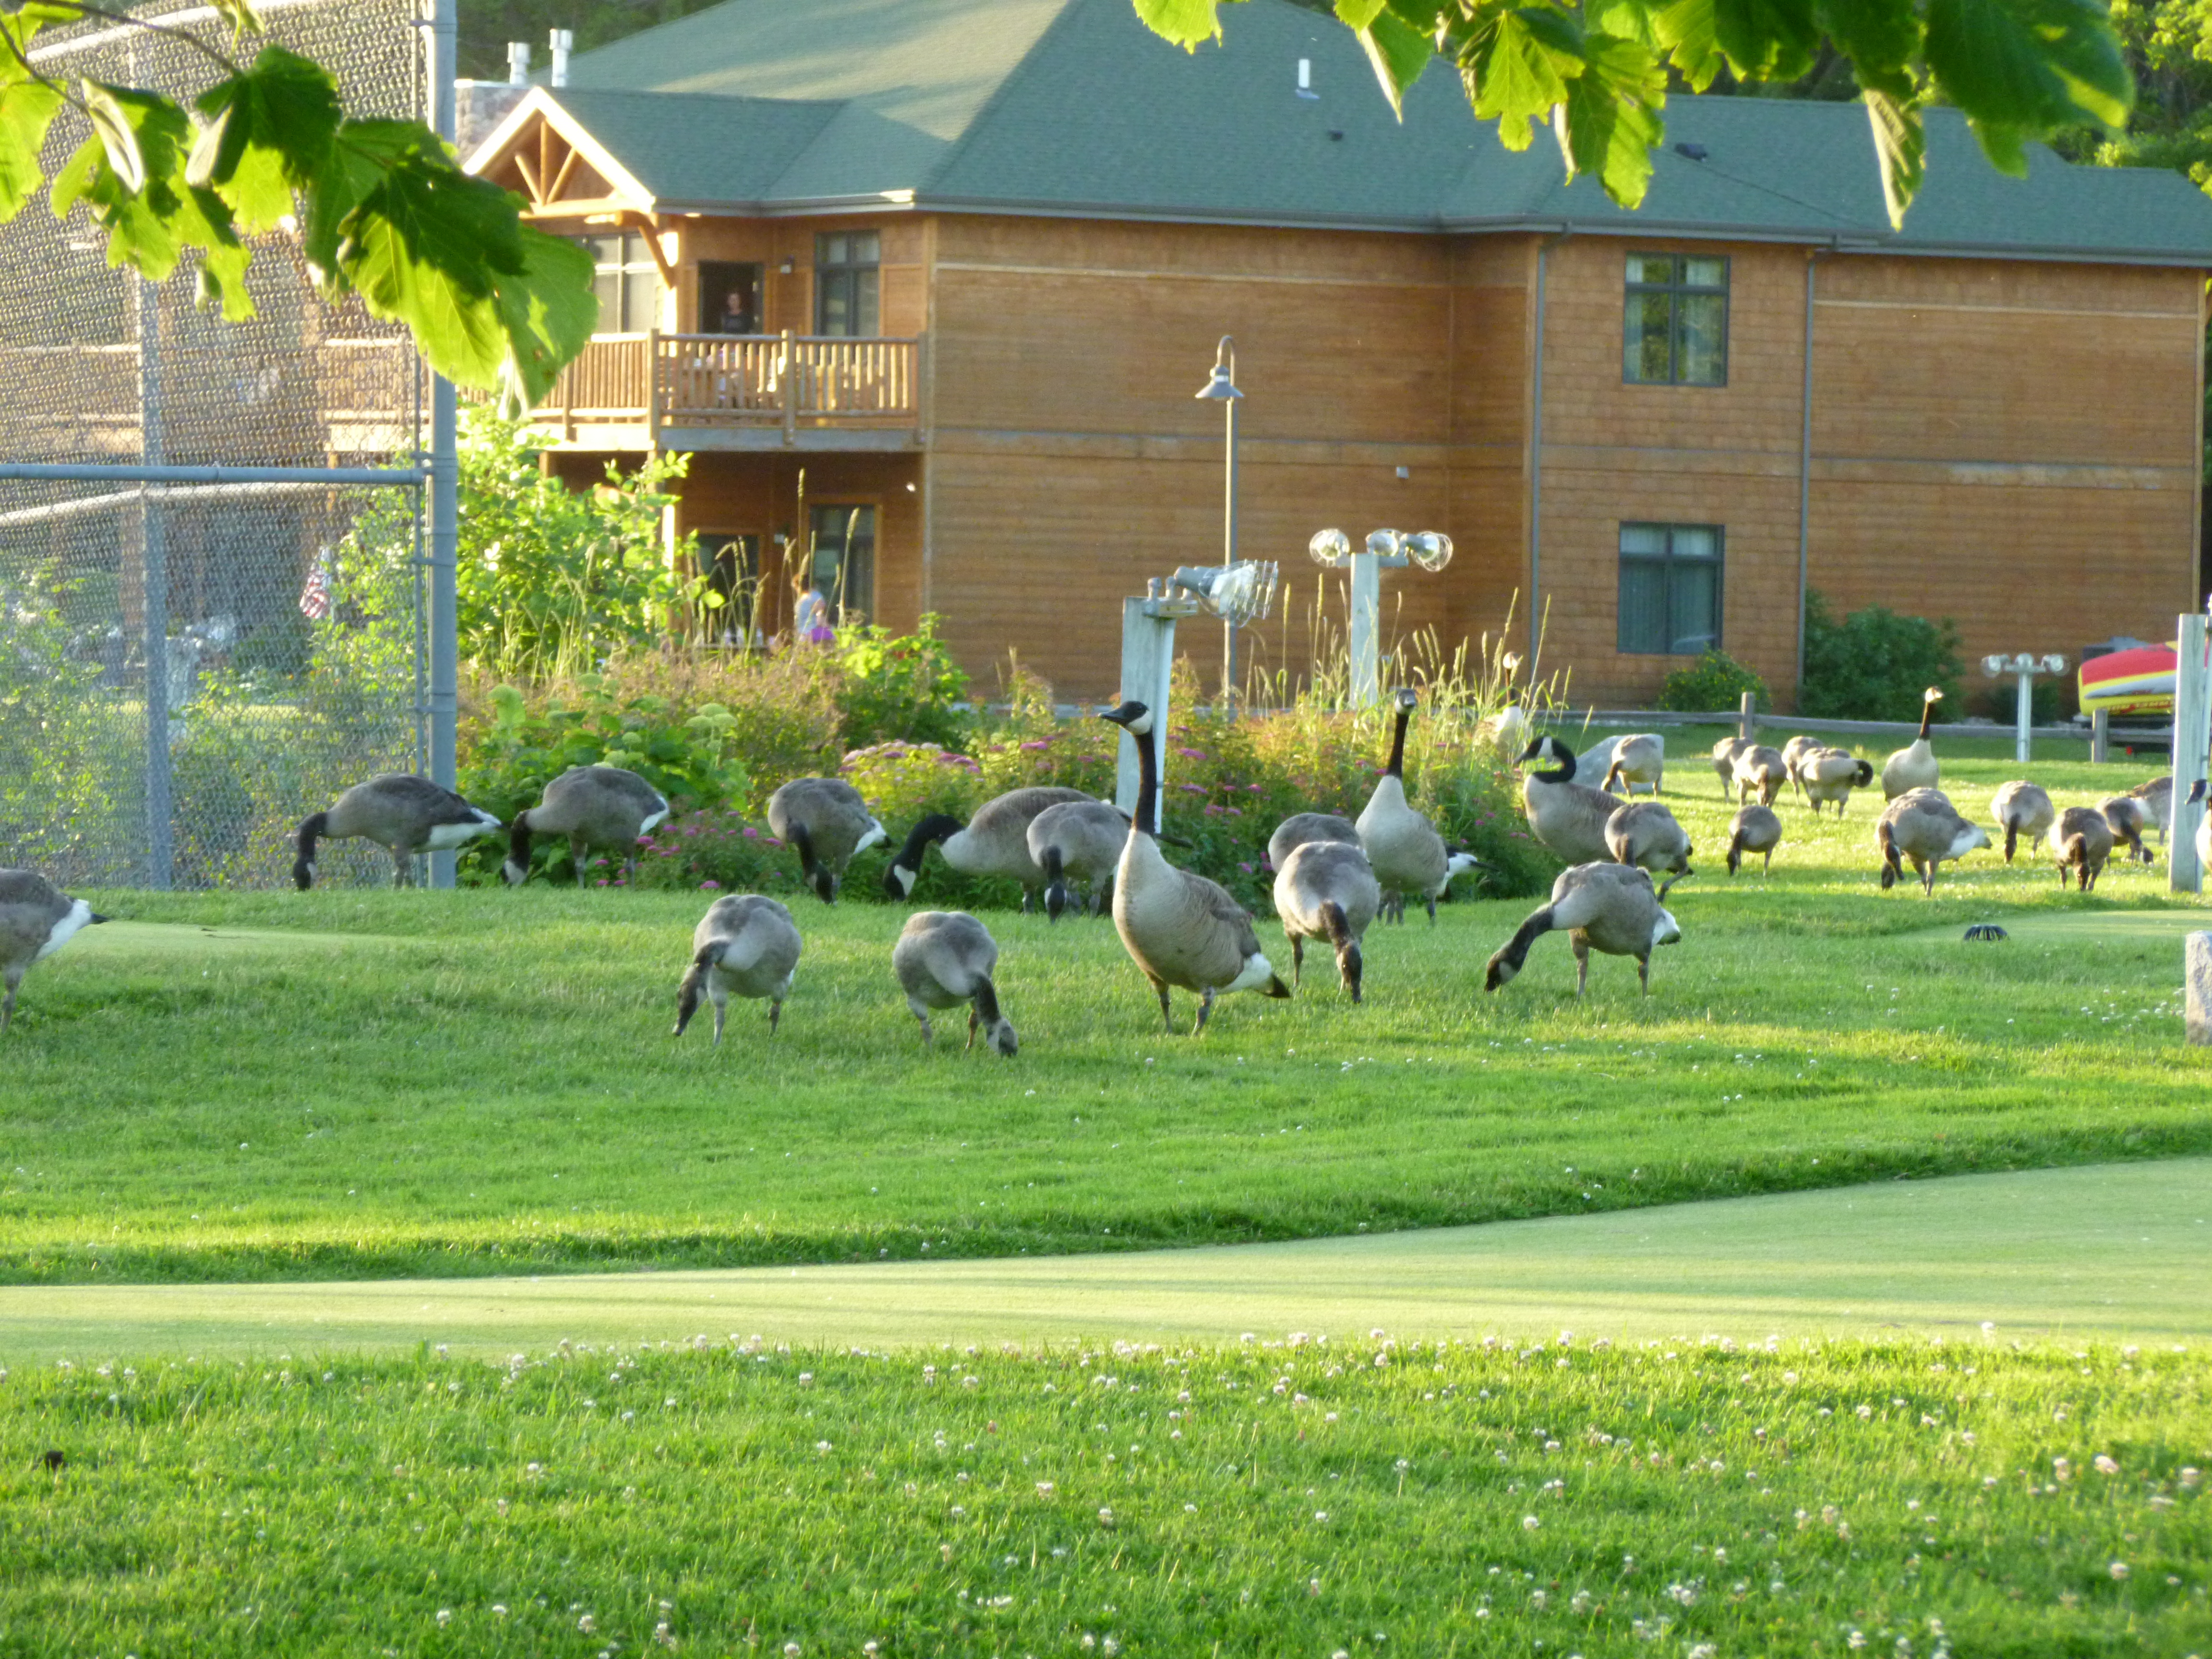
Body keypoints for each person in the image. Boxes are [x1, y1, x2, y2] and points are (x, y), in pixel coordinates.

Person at [791, 574, 833, 645]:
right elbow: (820, 616)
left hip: (802, 636)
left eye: (796, 588)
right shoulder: (816, 596)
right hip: (813, 634)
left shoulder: (801, 600)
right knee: (839, 635)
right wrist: (829, 629)